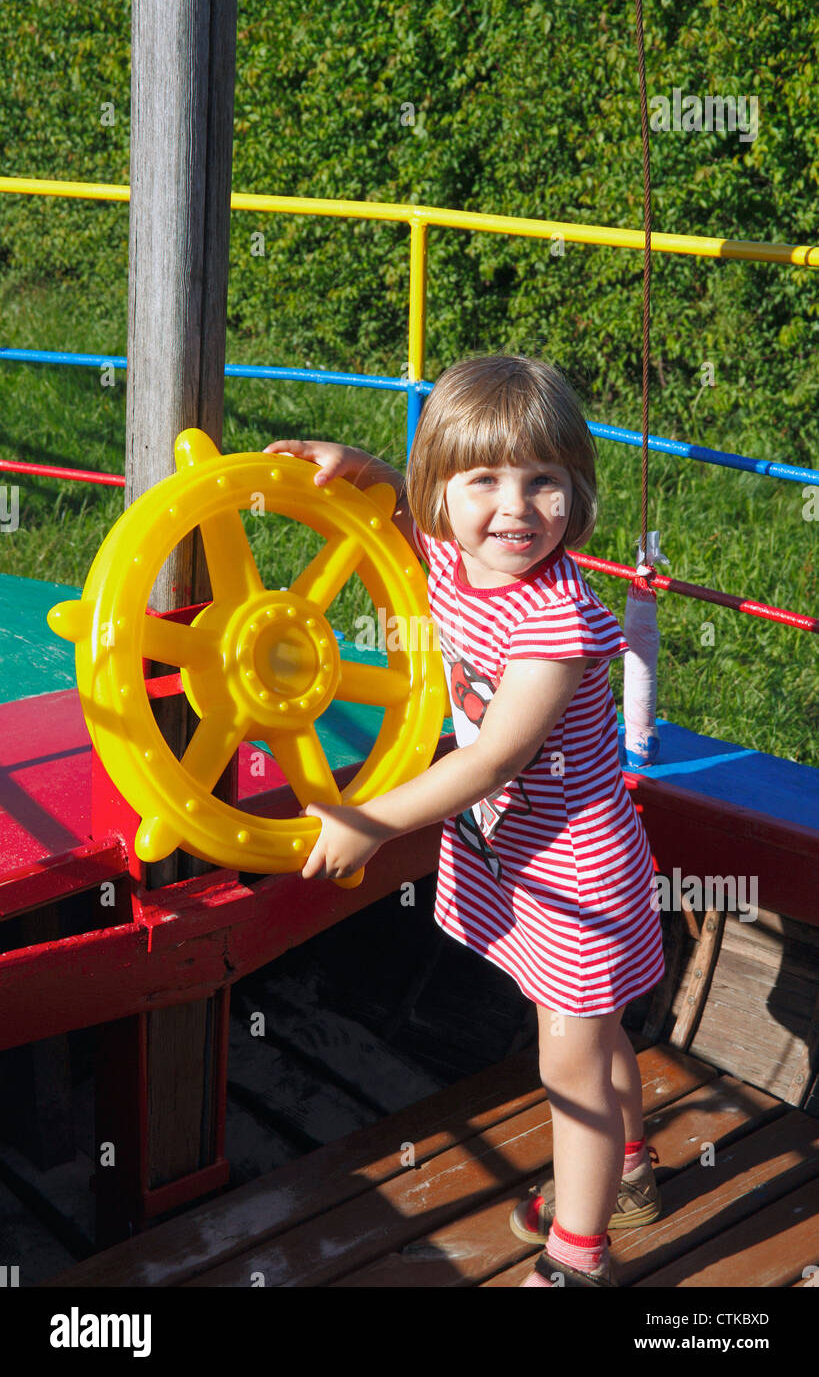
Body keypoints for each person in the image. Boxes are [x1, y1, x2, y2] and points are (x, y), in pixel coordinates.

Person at [263, 353, 665, 1287]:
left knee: (570, 1064)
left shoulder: (556, 622)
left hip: (576, 878)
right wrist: (362, 468)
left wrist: (369, 820)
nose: (515, 509)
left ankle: (578, 1253)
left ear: (578, 492)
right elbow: (408, 518)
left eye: (543, 483)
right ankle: (631, 1170)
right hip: (516, 859)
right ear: (444, 494)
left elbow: (491, 759)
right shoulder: (451, 555)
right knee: (592, 1037)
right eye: (482, 481)